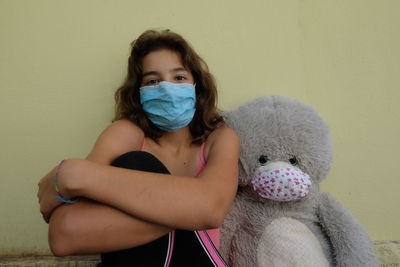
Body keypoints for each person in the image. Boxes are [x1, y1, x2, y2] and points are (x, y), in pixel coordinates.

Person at [37, 29, 239, 267]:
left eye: (179, 78)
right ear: (139, 93)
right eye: (153, 81)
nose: (166, 88)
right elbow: (65, 235)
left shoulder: (220, 139)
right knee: (137, 163)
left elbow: (211, 209)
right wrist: (188, 210)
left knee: (139, 167)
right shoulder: (127, 135)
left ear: (197, 85)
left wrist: (75, 174)